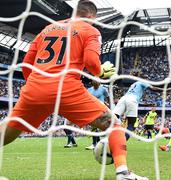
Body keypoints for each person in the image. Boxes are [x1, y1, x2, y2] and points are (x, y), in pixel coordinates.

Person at [0, 1, 148, 179]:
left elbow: (27, 64)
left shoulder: (48, 28)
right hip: (66, 89)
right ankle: (123, 172)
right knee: (113, 123)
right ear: (92, 16)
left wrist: (37, 87)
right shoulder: (90, 30)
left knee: (9, 129)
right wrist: (100, 72)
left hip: (35, 88)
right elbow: (92, 63)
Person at [113, 72, 167, 141]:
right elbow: (153, 89)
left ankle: (110, 135)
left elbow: (135, 102)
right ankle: (122, 141)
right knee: (131, 124)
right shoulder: (142, 82)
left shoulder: (133, 84)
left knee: (114, 117)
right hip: (132, 100)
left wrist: (148, 105)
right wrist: (165, 90)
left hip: (123, 98)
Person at [85, 80, 109, 150]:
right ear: (92, 83)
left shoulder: (103, 89)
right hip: (92, 109)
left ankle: (94, 143)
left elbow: (107, 97)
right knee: (94, 125)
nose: (95, 84)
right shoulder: (89, 90)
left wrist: (109, 106)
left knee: (96, 125)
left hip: (100, 109)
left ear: (99, 83)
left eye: (97, 82)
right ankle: (97, 142)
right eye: (94, 82)